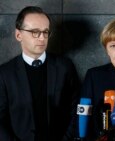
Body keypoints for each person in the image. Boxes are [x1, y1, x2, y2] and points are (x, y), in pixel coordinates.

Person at [0, 6, 80, 141]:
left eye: (45, 32)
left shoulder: (65, 67)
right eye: (35, 32)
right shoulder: (4, 74)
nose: (42, 37)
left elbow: (77, 109)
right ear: (18, 35)